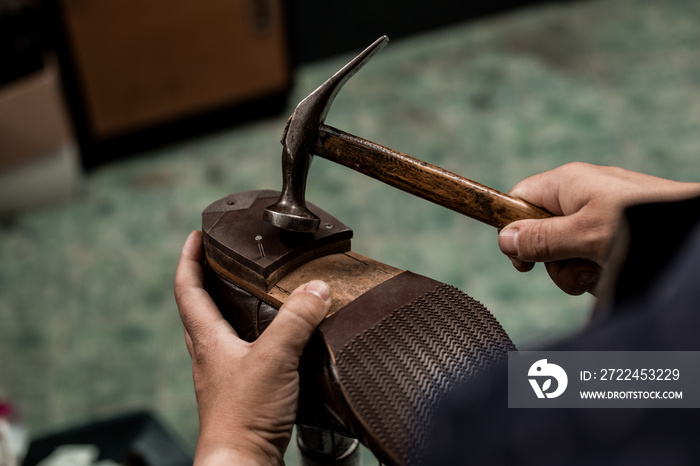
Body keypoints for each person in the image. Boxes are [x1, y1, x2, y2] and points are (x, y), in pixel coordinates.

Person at [174, 163, 700, 465]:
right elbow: (673, 381)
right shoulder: (664, 376)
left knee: (515, 397)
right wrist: (671, 229)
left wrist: (238, 444)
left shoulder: (493, 425)